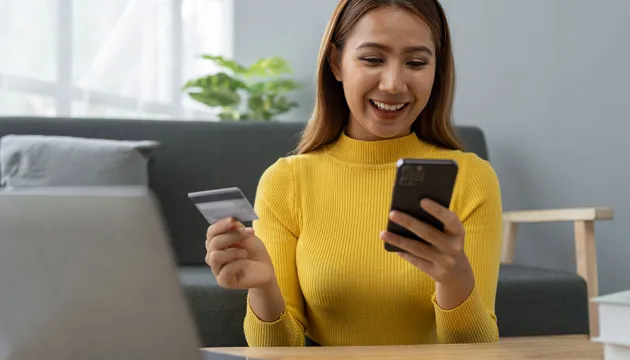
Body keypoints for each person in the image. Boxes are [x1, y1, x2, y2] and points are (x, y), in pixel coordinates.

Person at [205, 0, 503, 347]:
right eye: (373, 59)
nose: (393, 83)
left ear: (437, 71)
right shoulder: (285, 182)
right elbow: (280, 351)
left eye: (417, 62)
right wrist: (264, 288)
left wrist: (455, 279)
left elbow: (477, 351)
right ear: (336, 62)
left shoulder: (471, 179)